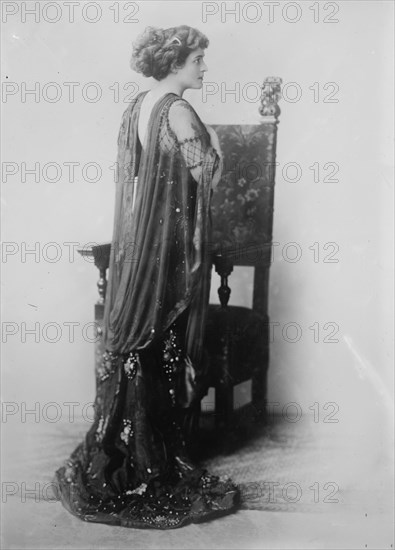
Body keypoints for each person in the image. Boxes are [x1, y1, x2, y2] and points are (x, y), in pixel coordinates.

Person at [54, 25, 240, 529]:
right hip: (167, 252)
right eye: (199, 59)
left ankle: (128, 445)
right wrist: (216, 144)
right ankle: (153, 457)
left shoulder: (137, 105)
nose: (204, 68)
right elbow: (206, 173)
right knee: (163, 342)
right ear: (177, 62)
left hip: (139, 247)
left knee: (145, 345)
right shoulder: (179, 110)